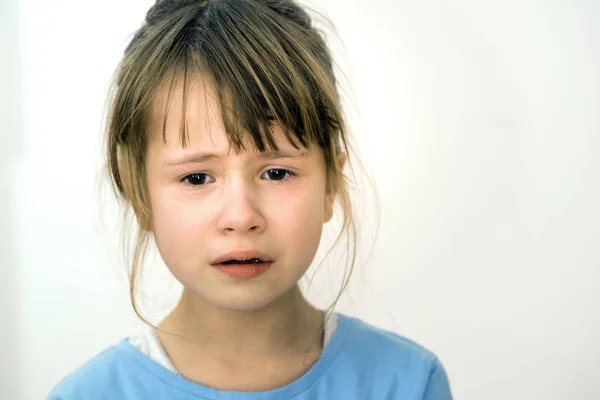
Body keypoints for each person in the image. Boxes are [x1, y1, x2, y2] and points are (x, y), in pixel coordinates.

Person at [48, 0, 453, 398]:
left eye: (277, 173)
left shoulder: (408, 382)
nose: (241, 217)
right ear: (139, 193)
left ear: (331, 183)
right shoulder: (88, 394)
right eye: (196, 177)